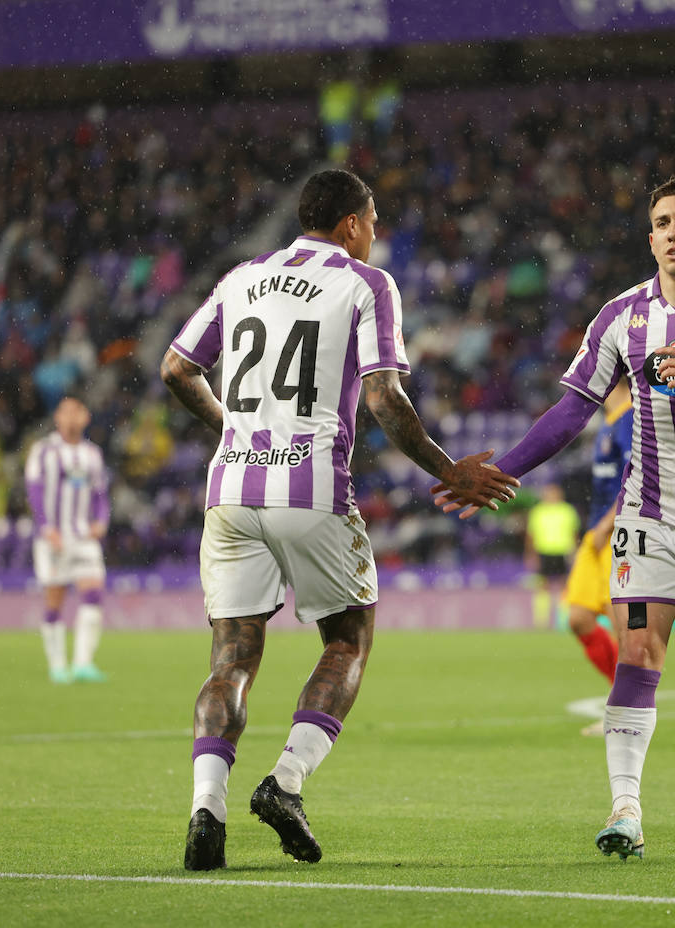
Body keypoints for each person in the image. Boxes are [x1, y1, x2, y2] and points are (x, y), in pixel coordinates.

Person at [435, 173, 675, 858]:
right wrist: (503, 470)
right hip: (648, 514)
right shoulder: (621, 316)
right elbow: (574, 407)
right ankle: (626, 811)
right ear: (650, 236)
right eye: (663, 222)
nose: (673, 232)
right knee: (637, 654)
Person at [161, 168, 518, 871]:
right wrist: (450, 471)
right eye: (374, 219)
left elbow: (175, 367)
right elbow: (384, 397)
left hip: (230, 487)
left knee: (232, 656)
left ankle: (207, 810)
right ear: (352, 224)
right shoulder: (366, 282)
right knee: (348, 640)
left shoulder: (241, 279)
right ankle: (286, 783)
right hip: (310, 484)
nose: (376, 232)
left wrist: (232, 426)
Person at [23, 396, 109, 684]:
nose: (72, 417)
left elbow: (100, 494)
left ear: (85, 417)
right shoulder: (43, 451)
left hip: (83, 536)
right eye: (66, 411)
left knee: (93, 594)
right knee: (54, 602)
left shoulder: (92, 454)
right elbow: (34, 491)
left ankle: (83, 663)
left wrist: (101, 521)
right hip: (54, 538)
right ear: (57, 417)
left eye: (77, 411)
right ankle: (58, 666)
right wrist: (46, 528)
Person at [563, 377, 633, 694]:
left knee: (622, 627)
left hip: (618, 533)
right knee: (579, 618)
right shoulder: (608, 421)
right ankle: (618, 692)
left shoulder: (632, 417)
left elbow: (639, 477)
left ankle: (628, 708)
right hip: (597, 531)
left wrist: (608, 523)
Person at [525, 483, 580, 629]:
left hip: (562, 551)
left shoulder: (567, 511)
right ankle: (541, 621)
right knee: (543, 586)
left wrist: (574, 552)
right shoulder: (538, 511)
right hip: (544, 551)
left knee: (564, 586)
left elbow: (574, 533)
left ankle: (563, 619)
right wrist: (531, 554)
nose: (551, 496)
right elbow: (531, 535)